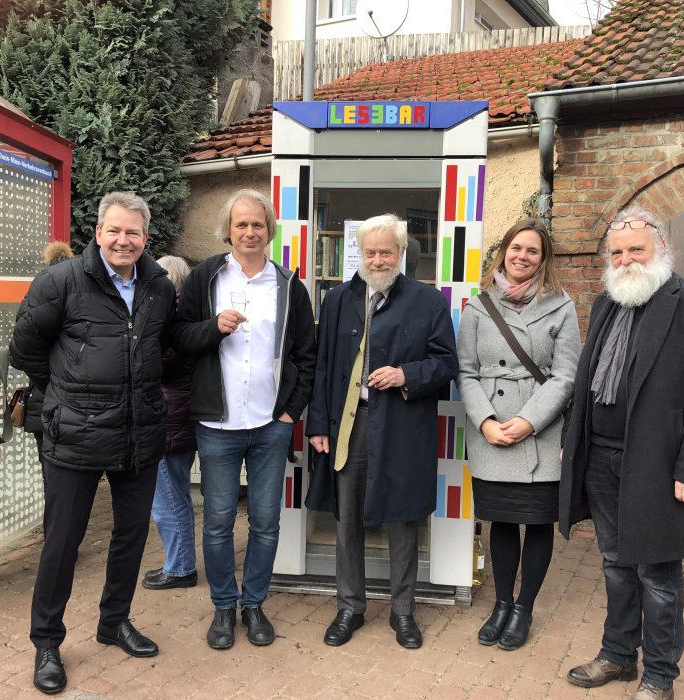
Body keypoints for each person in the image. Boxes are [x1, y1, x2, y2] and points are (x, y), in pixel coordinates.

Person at [560, 205, 684, 700]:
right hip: (601, 457)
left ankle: (659, 676)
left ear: (661, 248)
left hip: (657, 464)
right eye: (616, 252)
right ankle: (618, 654)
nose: (626, 259)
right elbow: (587, 381)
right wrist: (573, 440)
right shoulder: (607, 302)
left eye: (636, 249)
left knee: (657, 572)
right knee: (615, 563)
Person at [10, 192, 175, 695]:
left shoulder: (158, 286)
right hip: (75, 434)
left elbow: (165, 346)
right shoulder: (61, 281)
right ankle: (46, 642)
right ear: (99, 233)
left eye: (133, 233)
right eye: (115, 231)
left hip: (137, 432)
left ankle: (114, 621)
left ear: (146, 238)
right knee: (63, 541)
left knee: (131, 535)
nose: (124, 240)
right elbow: (25, 348)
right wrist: (64, 391)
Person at [306, 214, 458, 649]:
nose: (377, 260)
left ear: (401, 253)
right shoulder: (337, 299)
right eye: (370, 252)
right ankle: (349, 607)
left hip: (403, 424)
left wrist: (405, 374)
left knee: (402, 518)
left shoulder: (428, 301)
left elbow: (447, 363)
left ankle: (403, 611)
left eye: (385, 252)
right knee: (346, 517)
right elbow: (322, 366)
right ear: (360, 252)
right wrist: (318, 424)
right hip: (348, 424)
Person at [173, 189, 316, 650]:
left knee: (266, 521)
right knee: (217, 522)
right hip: (218, 425)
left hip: (271, 424)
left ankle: (253, 604)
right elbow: (178, 338)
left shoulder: (288, 285)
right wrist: (212, 328)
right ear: (228, 230)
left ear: (269, 230)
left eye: (258, 224)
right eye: (242, 224)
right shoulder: (205, 278)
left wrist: (291, 412)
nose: (250, 232)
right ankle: (223, 606)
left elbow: (306, 355)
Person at [457, 218, 579, 651]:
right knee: (503, 520)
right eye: (516, 248)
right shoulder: (478, 306)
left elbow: (566, 376)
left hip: (540, 431)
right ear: (503, 252)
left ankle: (524, 608)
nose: (522, 256)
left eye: (532, 251)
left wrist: (530, 421)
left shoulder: (561, 306)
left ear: (543, 259)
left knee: (538, 521)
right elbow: (466, 372)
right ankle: (502, 604)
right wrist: (486, 421)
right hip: (491, 429)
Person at [142, 256, 198, 590]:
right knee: (175, 495)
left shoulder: (170, 317)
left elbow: (155, 365)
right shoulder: (186, 314)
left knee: (167, 500)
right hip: (179, 415)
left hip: (167, 417)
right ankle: (179, 563)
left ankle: (180, 568)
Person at [23, 241, 74, 460]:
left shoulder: (39, 287)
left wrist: (47, 382)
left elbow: (24, 348)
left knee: (47, 463)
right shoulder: (75, 290)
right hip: (67, 396)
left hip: (41, 394)